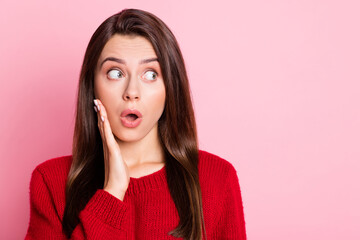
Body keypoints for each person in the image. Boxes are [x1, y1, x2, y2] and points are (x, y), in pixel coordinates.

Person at [25, 8, 247, 240]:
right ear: (92, 86)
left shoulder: (217, 179)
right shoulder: (51, 182)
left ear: (170, 88)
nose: (132, 92)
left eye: (150, 75)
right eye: (115, 73)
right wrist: (111, 194)